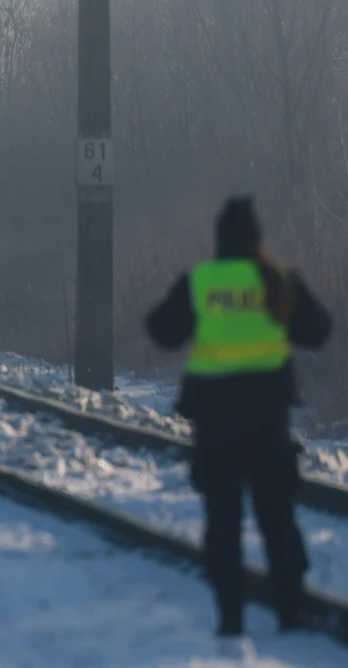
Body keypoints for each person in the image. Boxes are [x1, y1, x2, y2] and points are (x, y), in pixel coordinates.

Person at [145, 197, 331, 637]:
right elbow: (319, 330)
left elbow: (161, 332)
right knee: (278, 519)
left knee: (223, 524)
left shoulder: (200, 282)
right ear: (257, 237)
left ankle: (231, 619)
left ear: (218, 238)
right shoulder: (279, 282)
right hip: (269, 425)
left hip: (216, 427)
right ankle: (290, 612)